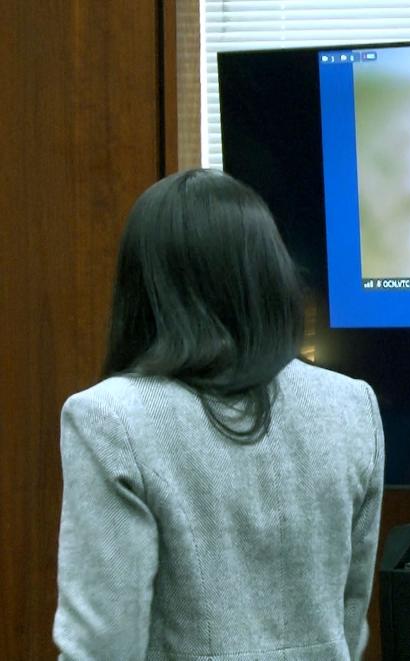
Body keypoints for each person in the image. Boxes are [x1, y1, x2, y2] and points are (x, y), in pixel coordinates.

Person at [53, 169, 384, 660]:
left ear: (145, 286)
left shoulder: (108, 418)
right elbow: (350, 621)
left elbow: (101, 645)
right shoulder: (352, 405)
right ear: (269, 275)